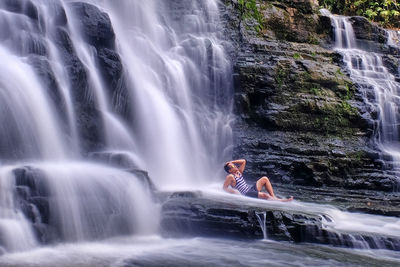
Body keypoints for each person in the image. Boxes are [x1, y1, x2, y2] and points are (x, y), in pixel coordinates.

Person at [223, 159, 293, 201]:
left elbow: (243, 161)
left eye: (234, 165)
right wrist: (234, 192)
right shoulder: (230, 176)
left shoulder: (238, 172)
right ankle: (281, 201)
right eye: (232, 166)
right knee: (265, 196)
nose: (235, 165)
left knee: (264, 178)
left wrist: (231, 161)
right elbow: (224, 188)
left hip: (250, 190)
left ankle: (273, 197)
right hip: (246, 194)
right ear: (230, 170)